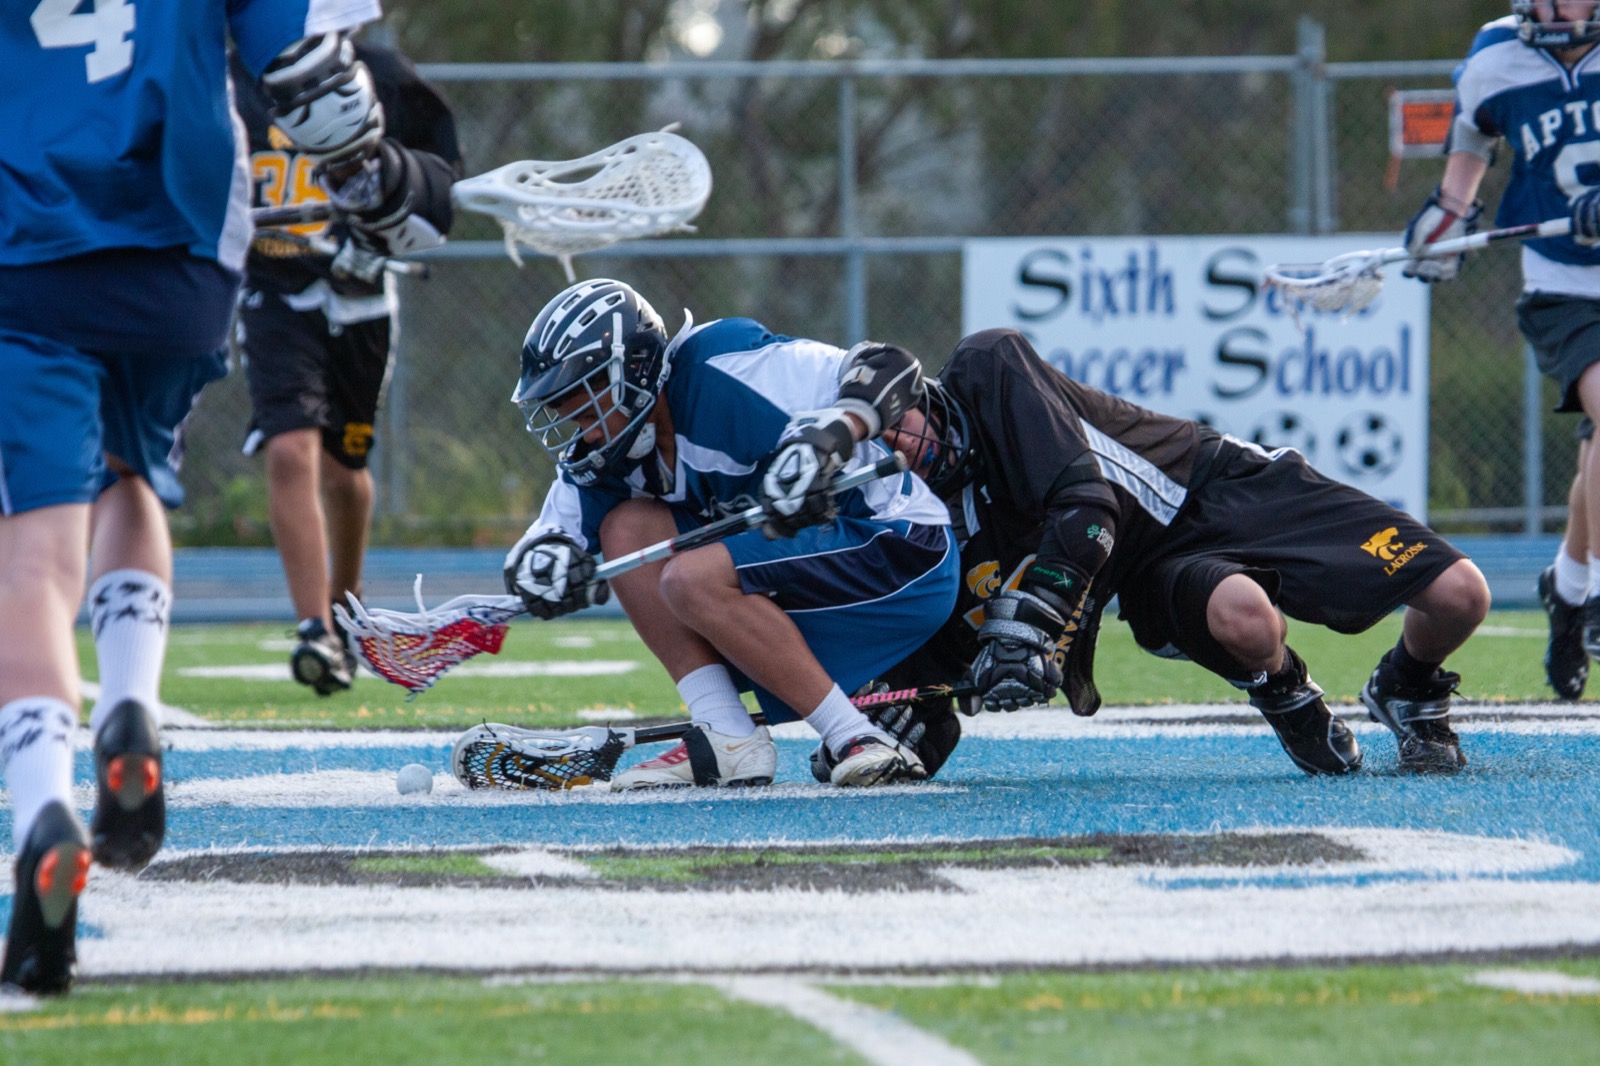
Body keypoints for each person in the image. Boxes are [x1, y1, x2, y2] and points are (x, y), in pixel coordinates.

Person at [0, 2, 443, 994]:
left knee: (31, 548)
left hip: (24, 238)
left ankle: (41, 809)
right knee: (133, 471)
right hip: (187, 247)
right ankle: (128, 709)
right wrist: (373, 179)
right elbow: (312, 73)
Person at [800, 329, 1491, 779]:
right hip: (1147, 564)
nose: (900, 448)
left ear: (919, 400)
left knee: (1463, 594)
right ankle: (1283, 689)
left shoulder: (988, 371)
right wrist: (887, 720)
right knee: (1246, 619)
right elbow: (944, 660)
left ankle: (1407, 684)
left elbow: (1086, 509)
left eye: (900, 426)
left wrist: (1034, 625)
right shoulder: (940, 523)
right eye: (880, 448)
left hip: (1217, 482)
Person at [503, 278, 960, 789]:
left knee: (688, 579)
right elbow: (546, 541)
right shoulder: (607, 458)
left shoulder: (722, 368)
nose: (583, 433)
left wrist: (826, 439)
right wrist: (543, 573)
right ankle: (727, 734)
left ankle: (854, 735)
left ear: (632, 376)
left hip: (899, 551)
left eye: (589, 410)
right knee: (627, 529)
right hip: (815, 578)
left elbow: (887, 365)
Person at [233, 40, 461, 695]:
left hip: (359, 299)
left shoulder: (380, 71)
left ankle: (344, 606)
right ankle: (315, 631)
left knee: (345, 471)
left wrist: (385, 227)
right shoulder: (229, 76)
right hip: (274, 294)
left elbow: (439, 183)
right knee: (289, 451)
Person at [1404, 1, 1600, 701]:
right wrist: (1445, 219)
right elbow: (1472, 150)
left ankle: (1570, 591)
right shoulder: (1496, 57)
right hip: (1563, 281)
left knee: (1597, 445)